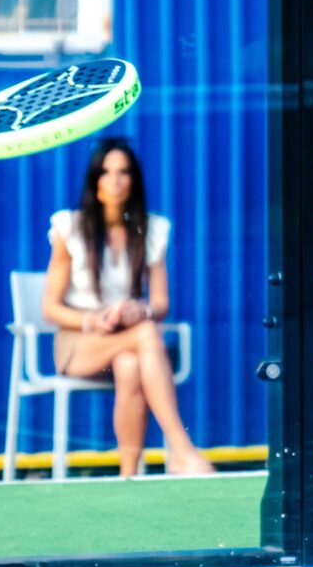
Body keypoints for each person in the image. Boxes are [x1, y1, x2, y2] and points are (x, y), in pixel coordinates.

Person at [41, 137, 214, 478]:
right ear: (95, 181)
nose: (115, 181)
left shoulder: (151, 230)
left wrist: (139, 311)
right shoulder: (70, 228)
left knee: (130, 363)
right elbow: (50, 308)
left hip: (128, 340)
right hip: (79, 344)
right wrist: (93, 319)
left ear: (134, 180)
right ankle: (181, 449)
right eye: (106, 173)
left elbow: (160, 304)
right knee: (146, 335)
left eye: (123, 172)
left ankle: (128, 474)